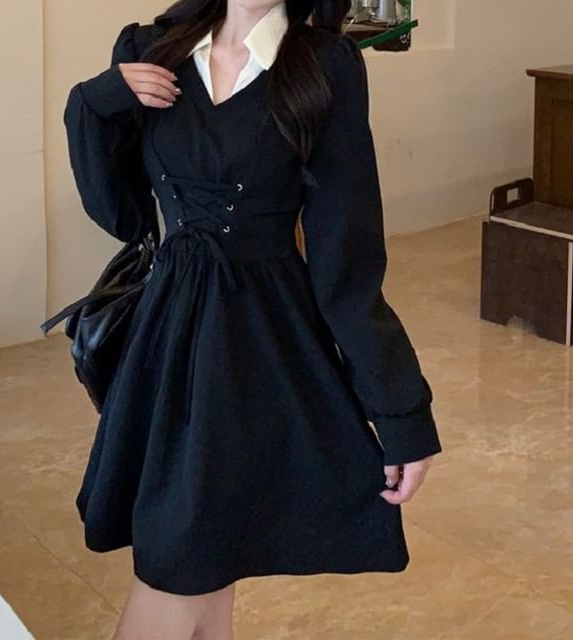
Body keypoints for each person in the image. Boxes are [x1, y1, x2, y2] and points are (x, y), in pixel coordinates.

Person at [63, 1, 443, 638]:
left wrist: (401, 413)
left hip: (260, 344)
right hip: (169, 337)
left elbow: (347, 259)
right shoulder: (150, 48)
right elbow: (124, 215)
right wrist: (96, 103)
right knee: (199, 557)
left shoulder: (323, 64)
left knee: (186, 555)